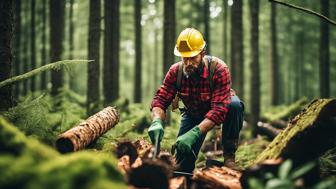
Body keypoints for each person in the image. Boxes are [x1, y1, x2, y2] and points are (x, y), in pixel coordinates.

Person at [148, 28, 244, 173]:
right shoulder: (175, 71)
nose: (187, 63)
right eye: (184, 58)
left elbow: (218, 111)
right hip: (193, 114)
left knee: (235, 105)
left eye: (192, 58)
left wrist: (195, 133)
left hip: (219, 108)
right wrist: (156, 120)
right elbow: (161, 99)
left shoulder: (219, 69)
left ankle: (229, 157)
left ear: (202, 53)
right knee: (181, 167)